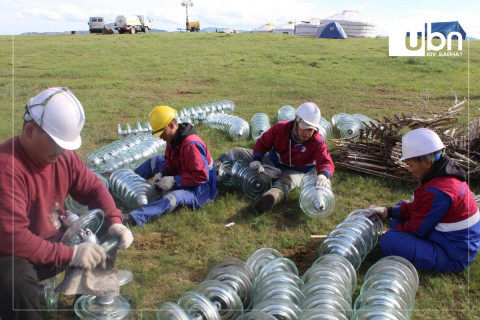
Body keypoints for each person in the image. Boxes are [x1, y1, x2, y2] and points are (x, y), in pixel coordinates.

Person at [0, 87, 134, 319]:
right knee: (14, 280)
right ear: (30, 131)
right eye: (57, 143)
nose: (63, 151)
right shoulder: (7, 168)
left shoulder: (63, 157)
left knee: (102, 232)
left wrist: (114, 221)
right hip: (15, 253)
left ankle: (92, 304)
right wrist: (70, 255)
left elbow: (93, 188)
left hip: (57, 240)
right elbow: (14, 238)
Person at [370, 128, 480, 273]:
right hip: (446, 238)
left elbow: (416, 228)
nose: (410, 170)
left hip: (453, 255)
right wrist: (388, 211)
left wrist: (383, 236)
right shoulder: (441, 173)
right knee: (401, 208)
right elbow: (419, 207)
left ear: (427, 163)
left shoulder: (437, 190)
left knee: (390, 240)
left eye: (411, 165)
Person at [215, 102, 335, 213]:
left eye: (311, 129)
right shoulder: (280, 129)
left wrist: (323, 175)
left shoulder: (317, 141)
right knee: (237, 151)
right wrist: (257, 160)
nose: (307, 133)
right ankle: (213, 168)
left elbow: (325, 160)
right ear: (297, 121)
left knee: (287, 182)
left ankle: (270, 198)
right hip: (272, 162)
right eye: (304, 128)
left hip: (296, 171)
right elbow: (262, 143)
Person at [123, 105, 219, 226]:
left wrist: (175, 180)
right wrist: (163, 172)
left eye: (162, 132)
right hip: (184, 175)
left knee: (173, 197)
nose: (161, 137)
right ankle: (127, 183)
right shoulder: (172, 140)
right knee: (156, 160)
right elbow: (171, 163)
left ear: (171, 125)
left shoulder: (191, 145)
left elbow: (201, 176)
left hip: (200, 190)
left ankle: (133, 218)